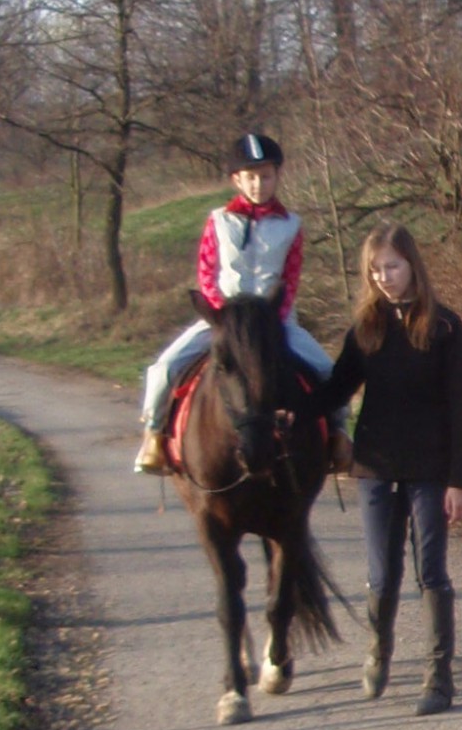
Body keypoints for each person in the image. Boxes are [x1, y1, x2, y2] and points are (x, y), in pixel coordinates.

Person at [322, 224, 462, 715]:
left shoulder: (445, 327)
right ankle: (378, 652)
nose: (384, 277)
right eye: (375, 270)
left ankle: (439, 677)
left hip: (430, 469)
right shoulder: (365, 329)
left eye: (391, 266)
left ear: (413, 264)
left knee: (430, 572)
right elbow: (334, 390)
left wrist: (460, 481)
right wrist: (294, 409)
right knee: (380, 573)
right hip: (375, 467)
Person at [135, 132, 336, 474]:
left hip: (276, 321)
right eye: (252, 177)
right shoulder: (218, 221)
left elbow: (290, 278)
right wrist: (225, 318)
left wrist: (271, 320)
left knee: (326, 369)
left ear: (277, 177)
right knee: (164, 368)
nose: (260, 184)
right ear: (237, 180)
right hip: (223, 320)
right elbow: (206, 271)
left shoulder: (292, 225)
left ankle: (339, 439)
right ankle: (153, 435)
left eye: (266, 176)